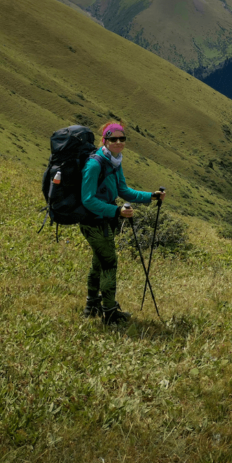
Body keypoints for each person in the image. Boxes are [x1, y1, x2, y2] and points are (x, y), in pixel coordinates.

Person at [80, 120, 166, 324]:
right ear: (105, 140)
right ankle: (109, 313)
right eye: (113, 139)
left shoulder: (114, 161)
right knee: (109, 264)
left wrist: (150, 196)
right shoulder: (95, 164)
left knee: (99, 262)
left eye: (122, 138)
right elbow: (88, 199)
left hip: (103, 219)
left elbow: (123, 191)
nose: (118, 142)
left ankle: (91, 306)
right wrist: (117, 210)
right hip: (93, 221)